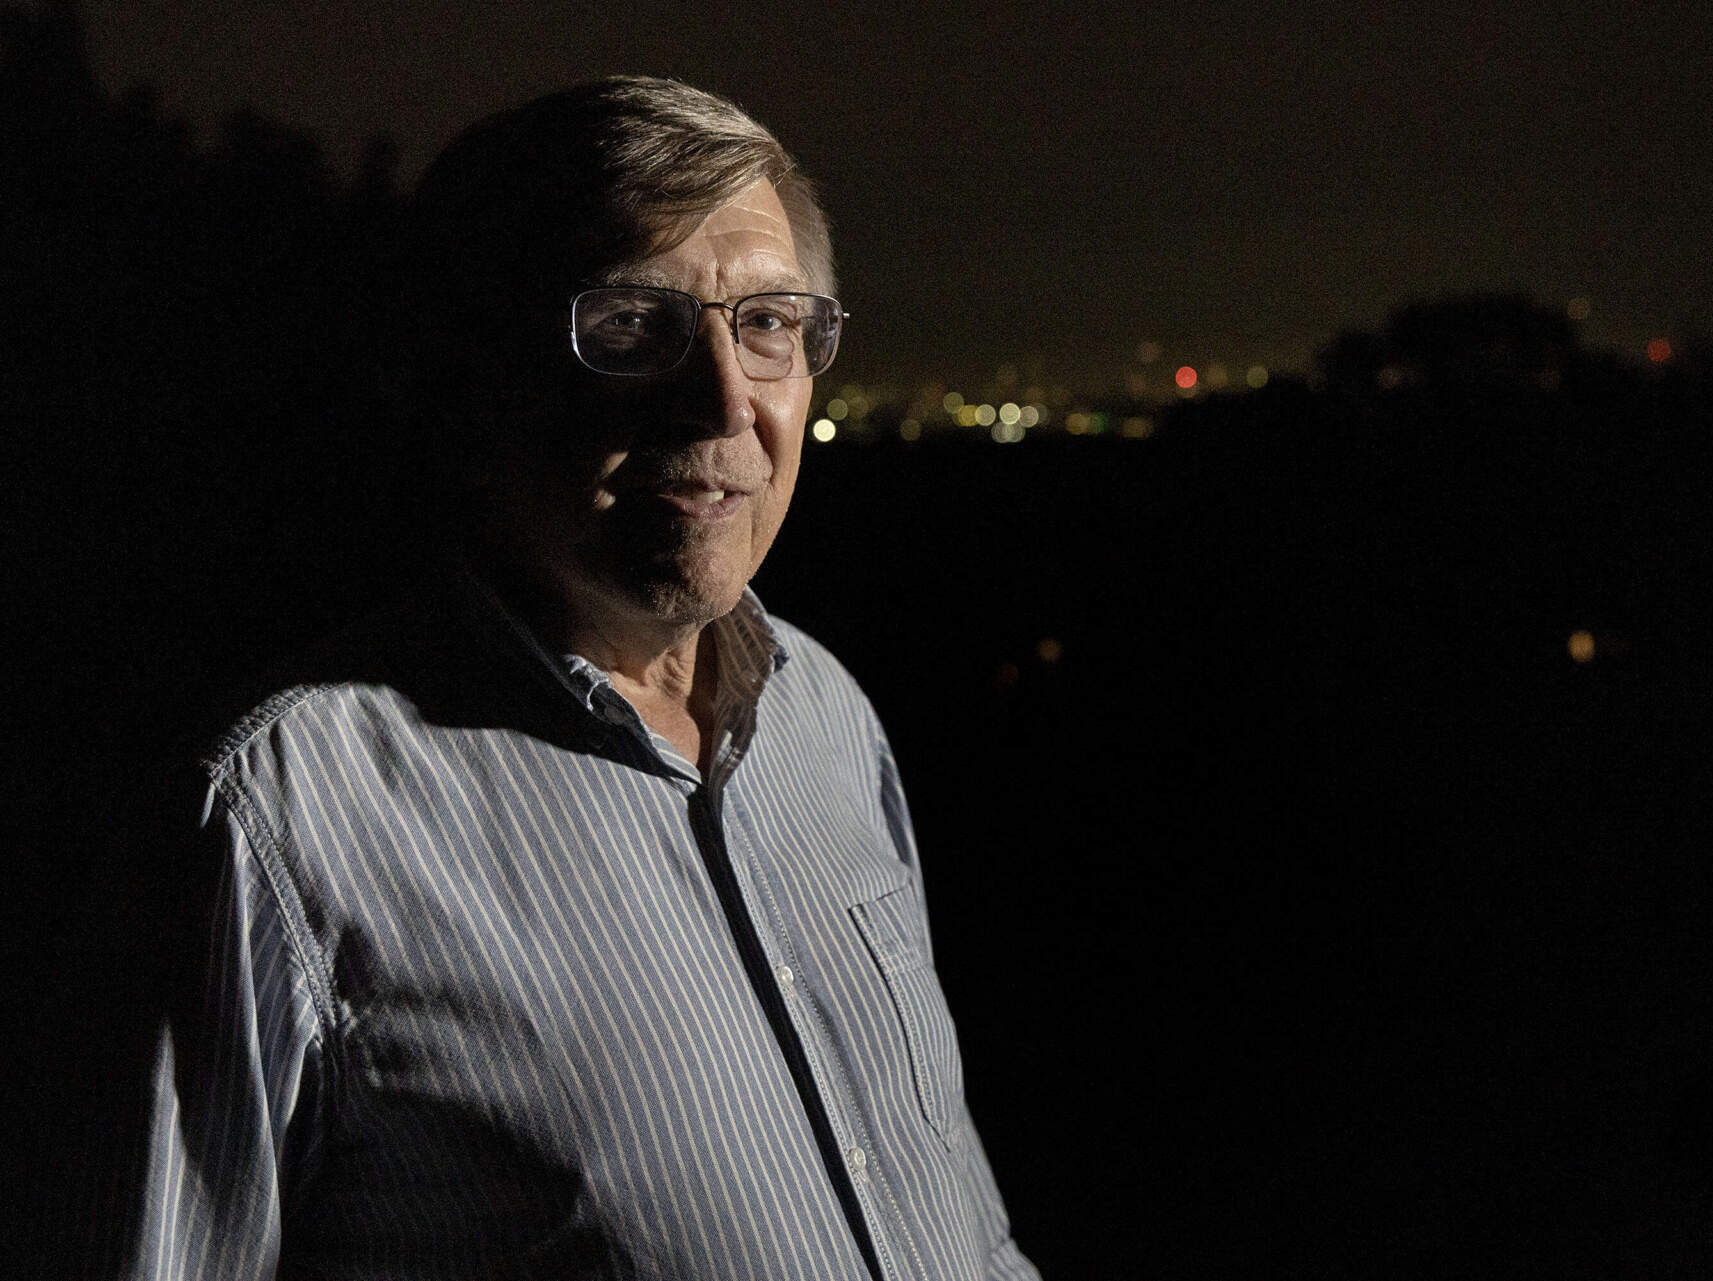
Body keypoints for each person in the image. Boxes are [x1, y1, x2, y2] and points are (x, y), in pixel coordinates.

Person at [113, 77, 1040, 1280]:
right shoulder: (272, 832)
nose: (722, 401)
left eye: (767, 322)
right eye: (629, 326)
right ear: (465, 374)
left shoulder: (824, 717)